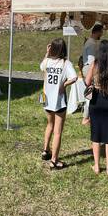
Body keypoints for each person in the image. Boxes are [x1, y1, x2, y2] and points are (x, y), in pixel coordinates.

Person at [85, 39, 108, 176]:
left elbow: (87, 81)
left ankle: (96, 166)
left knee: (95, 134)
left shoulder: (95, 64)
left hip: (96, 99)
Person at [40, 38, 77, 170]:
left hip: (47, 99)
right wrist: (64, 84)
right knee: (58, 132)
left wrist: (46, 53)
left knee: (49, 124)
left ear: (52, 49)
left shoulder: (48, 61)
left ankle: (45, 150)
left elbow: (41, 67)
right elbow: (74, 77)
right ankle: (54, 160)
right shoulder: (65, 63)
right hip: (59, 100)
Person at [79, 23, 103, 125]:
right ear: (98, 32)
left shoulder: (90, 42)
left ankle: (88, 116)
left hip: (88, 67)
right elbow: (92, 61)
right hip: (90, 68)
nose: (102, 34)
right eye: (101, 32)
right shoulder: (92, 44)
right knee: (90, 93)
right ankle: (86, 118)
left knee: (90, 94)